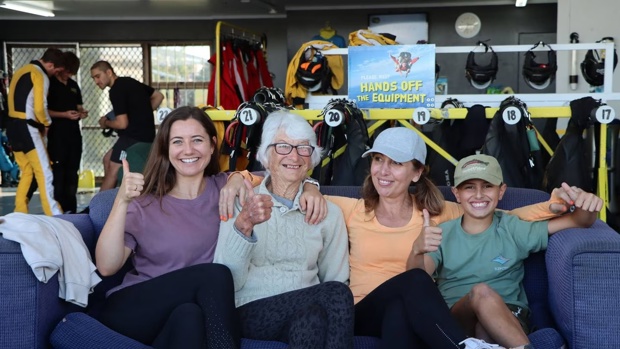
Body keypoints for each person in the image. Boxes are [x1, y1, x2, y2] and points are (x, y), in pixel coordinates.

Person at [224, 126, 577, 349]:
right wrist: (242, 177)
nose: (383, 170)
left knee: (401, 310)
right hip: (359, 310)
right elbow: (289, 180)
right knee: (411, 283)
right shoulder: (352, 209)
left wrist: (556, 206)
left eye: (395, 163)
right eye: (377, 160)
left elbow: (502, 215)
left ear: (417, 172)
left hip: (410, 312)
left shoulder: (441, 214)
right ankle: (464, 347)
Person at [95, 106, 326, 349]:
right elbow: (107, 267)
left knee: (190, 317)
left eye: (197, 140)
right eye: (177, 142)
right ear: (165, 148)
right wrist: (121, 200)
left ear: (212, 144)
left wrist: (311, 185)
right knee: (215, 273)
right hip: (133, 309)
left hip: (183, 313)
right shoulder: (144, 203)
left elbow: (281, 171)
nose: (188, 150)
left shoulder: (225, 188)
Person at [413, 154, 602, 349]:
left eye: (487, 186)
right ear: (456, 193)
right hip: (457, 320)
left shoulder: (513, 228)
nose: (479, 194)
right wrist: (417, 250)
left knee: (485, 329)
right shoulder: (443, 232)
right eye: (469, 187)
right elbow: (418, 276)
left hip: (509, 316)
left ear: (501, 191)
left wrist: (588, 205)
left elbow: (578, 221)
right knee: (480, 293)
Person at [214, 111, 354, 349]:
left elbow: (336, 279)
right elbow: (227, 281)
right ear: (266, 157)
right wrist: (244, 225)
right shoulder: (242, 201)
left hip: (308, 309)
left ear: (311, 159)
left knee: (313, 320)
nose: (295, 156)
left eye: (303, 148)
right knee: (338, 294)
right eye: (283, 147)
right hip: (252, 310)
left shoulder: (329, 213)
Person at [6, 48, 65, 215]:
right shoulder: (40, 75)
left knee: (27, 170)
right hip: (28, 128)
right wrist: (46, 123)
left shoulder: (20, 71)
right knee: (44, 171)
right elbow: (40, 107)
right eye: (56, 70)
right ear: (51, 64)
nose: (54, 74)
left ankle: (19, 212)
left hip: (13, 127)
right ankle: (55, 215)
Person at [90, 60, 164, 191]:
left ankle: (97, 207)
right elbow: (158, 96)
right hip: (147, 136)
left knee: (113, 169)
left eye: (98, 76)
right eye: (93, 78)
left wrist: (105, 123)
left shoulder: (115, 90)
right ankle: (112, 198)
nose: (96, 81)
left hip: (133, 137)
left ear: (109, 72)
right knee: (107, 159)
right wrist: (140, 114)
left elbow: (122, 124)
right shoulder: (129, 82)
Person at [47, 51, 88, 213]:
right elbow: (43, 111)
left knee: (72, 171)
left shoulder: (73, 86)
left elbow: (78, 106)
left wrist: (82, 112)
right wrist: (64, 115)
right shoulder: (49, 84)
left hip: (73, 134)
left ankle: (71, 209)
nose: (67, 76)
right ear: (60, 68)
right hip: (57, 134)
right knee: (59, 173)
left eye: (71, 74)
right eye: (65, 73)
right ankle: (58, 209)